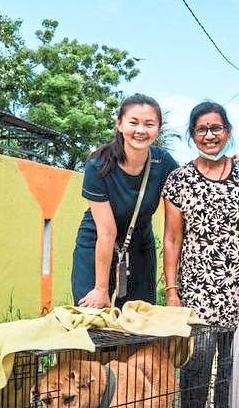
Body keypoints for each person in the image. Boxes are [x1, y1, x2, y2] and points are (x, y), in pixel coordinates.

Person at [161, 101, 239, 408]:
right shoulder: (179, 180)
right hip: (197, 289)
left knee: (232, 362)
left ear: (228, 131)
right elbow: (173, 239)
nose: (210, 135)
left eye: (216, 128)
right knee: (197, 362)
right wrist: (173, 291)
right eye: (202, 129)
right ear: (193, 136)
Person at [72, 94, 179, 308]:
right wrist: (101, 289)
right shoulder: (98, 165)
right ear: (119, 124)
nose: (141, 130)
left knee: (139, 319)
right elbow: (107, 232)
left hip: (140, 246)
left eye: (149, 124)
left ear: (158, 129)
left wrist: (231, 163)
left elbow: (193, 179)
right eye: (133, 122)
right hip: (97, 243)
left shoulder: (163, 162)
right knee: (93, 317)